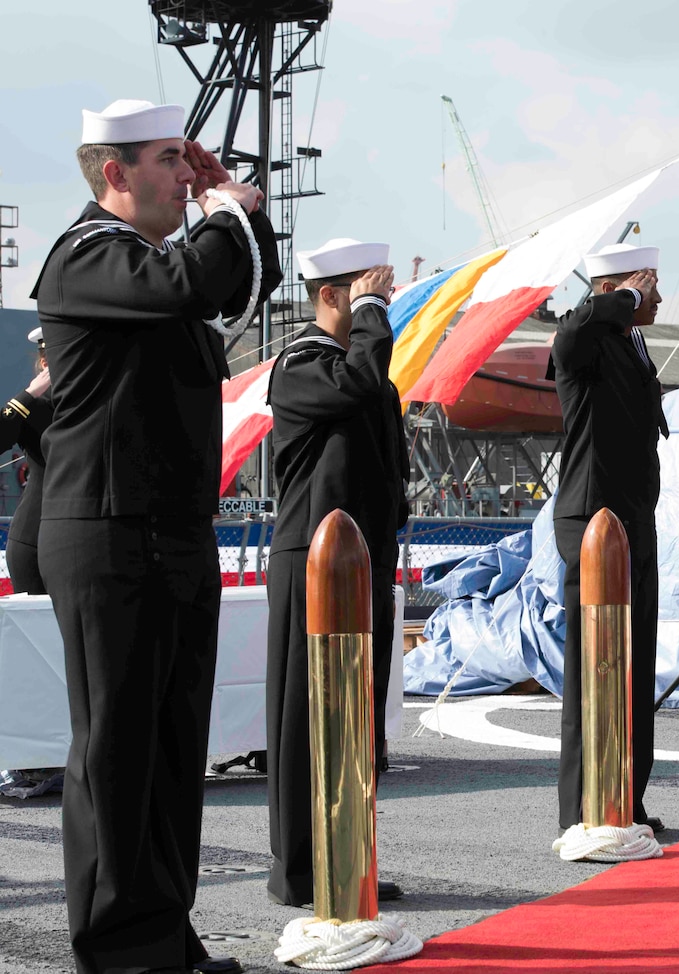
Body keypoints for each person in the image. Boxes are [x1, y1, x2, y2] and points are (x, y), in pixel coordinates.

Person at [30, 99, 280, 974]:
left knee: (175, 751)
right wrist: (224, 211)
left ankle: (164, 935)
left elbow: (241, 286)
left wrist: (248, 216)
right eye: (170, 159)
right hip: (106, 531)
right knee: (118, 751)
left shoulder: (150, 260)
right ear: (114, 174)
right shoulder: (86, 254)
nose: (186, 173)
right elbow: (188, 284)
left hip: (170, 529)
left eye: (187, 160)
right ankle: (120, 950)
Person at [264, 238, 409, 907]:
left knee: (357, 716)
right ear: (331, 295)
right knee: (306, 718)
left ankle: (348, 854)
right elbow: (357, 384)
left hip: (363, 558)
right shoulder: (301, 363)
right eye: (367, 292)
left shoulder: (360, 367)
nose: (381, 307)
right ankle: (299, 869)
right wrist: (374, 313)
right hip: (313, 560)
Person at [547, 242, 670, 837]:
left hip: (634, 521)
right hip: (592, 522)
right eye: (650, 287)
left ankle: (627, 799)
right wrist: (622, 298)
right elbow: (568, 340)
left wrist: (626, 304)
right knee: (593, 669)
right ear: (617, 289)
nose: (659, 299)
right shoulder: (587, 338)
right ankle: (582, 809)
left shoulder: (631, 343)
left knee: (634, 665)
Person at [2, 327, 51, 594]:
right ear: (45, 363)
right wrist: (28, 396)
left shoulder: (96, 407)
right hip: (35, 539)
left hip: (87, 543)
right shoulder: (35, 408)